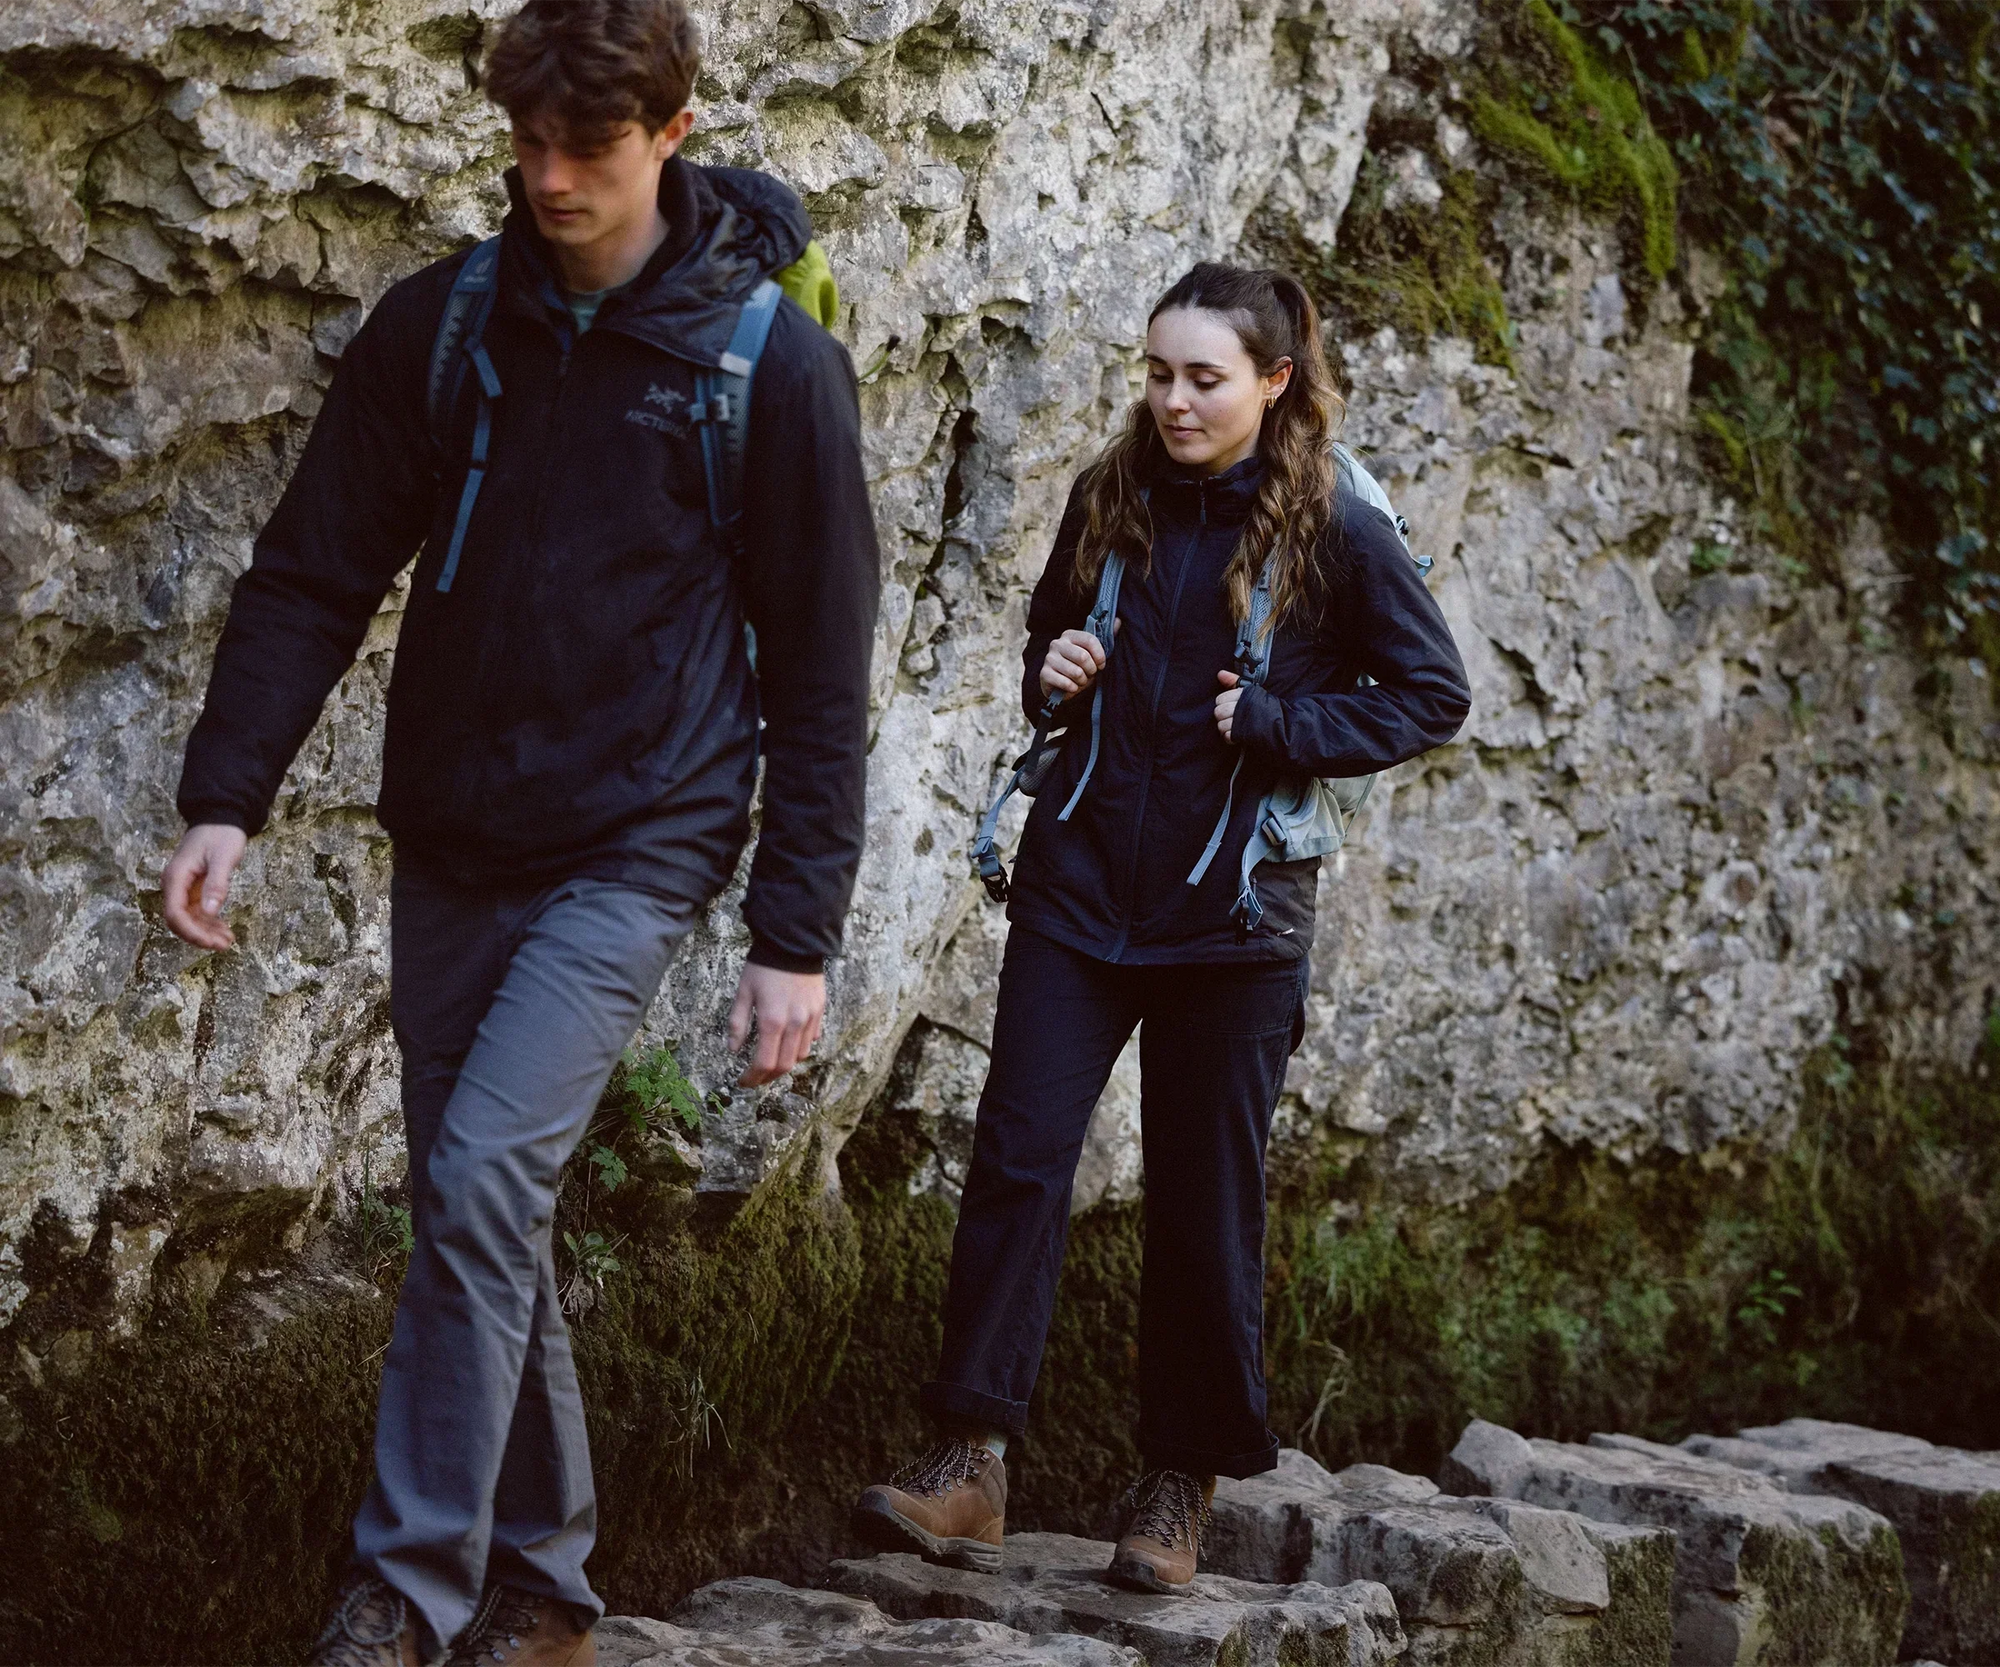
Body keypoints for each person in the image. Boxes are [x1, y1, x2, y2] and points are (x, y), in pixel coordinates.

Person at [158, 0, 879, 1660]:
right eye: (528, 143)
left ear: (674, 135)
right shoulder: (448, 325)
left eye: (592, 147)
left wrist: (796, 935)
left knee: (483, 1172)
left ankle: (405, 1588)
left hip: (642, 835)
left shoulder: (772, 369)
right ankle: (547, 1587)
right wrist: (226, 797)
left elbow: (820, 672)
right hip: (459, 829)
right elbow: (316, 568)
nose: (551, 179)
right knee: (480, 1207)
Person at [851, 263, 1469, 1590]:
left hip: (1234, 922)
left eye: (1204, 378)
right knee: (1018, 1158)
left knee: (1205, 1198)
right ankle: (970, 1463)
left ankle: (1174, 1484)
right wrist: (1054, 669)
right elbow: (1047, 644)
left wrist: (1279, 721)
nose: (1173, 401)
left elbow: (1431, 693)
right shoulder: (1110, 492)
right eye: (1157, 373)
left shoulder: (1339, 524)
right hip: (1078, 894)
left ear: (1275, 381)